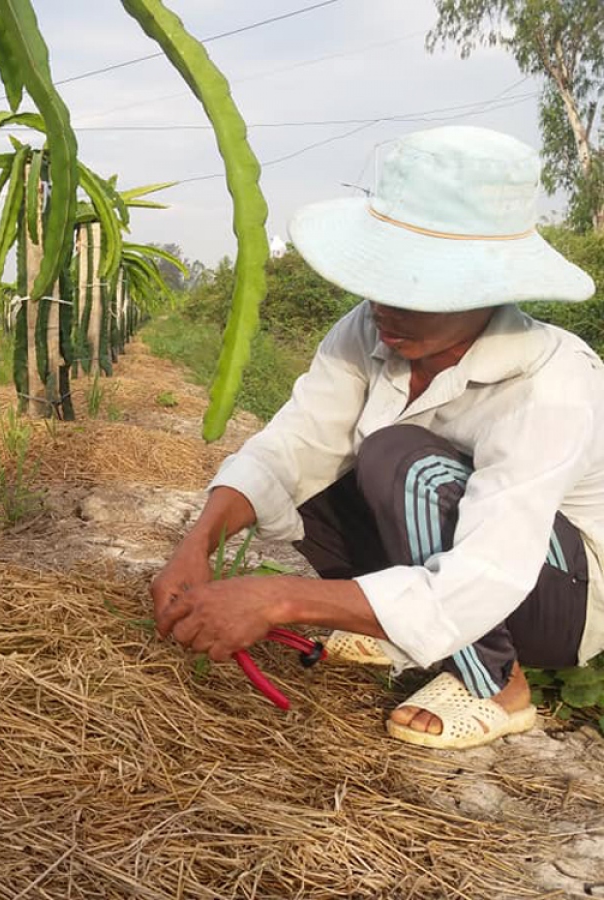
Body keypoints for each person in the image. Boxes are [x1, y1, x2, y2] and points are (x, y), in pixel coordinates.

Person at [150, 125, 602, 749]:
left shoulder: (551, 381)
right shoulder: (369, 329)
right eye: (381, 279)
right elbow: (296, 442)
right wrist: (197, 541)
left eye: (418, 290)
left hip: (558, 593)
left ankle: (498, 684)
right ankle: (404, 630)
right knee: (313, 479)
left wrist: (279, 600)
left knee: (397, 458)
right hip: (472, 562)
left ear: (492, 290)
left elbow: (490, 571)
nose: (385, 305)